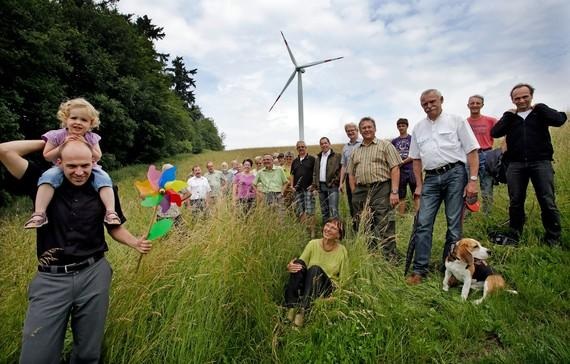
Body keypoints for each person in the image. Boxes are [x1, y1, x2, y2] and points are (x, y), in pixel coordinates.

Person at [0, 139, 152, 364]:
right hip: (51, 279)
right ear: (59, 162)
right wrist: (53, 140)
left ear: (93, 162)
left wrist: (134, 242)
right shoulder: (42, 182)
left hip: (94, 274)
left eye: (85, 165)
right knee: (36, 356)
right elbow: (4, 150)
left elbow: (114, 226)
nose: (79, 172)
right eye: (71, 166)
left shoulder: (103, 188)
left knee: (88, 353)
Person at [407, 89, 480, 285]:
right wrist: (419, 186)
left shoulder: (456, 120)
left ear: (441, 100)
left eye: (432, 101)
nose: (429, 106)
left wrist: (472, 180)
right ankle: (419, 270)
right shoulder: (418, 128)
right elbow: (415, 159)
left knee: (454, 226)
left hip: (455, 174)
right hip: (430, 178)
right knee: (423, 223)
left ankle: (452, 269)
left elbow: (472, 151)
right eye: (424, 104)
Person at [24, 98, 120, 229]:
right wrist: (63, 145)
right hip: (61, 167)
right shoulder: (57, 135)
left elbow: (97, 156)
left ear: (91, 123)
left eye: (84, 120)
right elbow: (47, 156)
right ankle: (39, 213)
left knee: (104, 179)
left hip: (90, 167)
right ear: (65, 119)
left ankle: (110, 212)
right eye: (74, 118)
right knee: (47, 178)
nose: (78, 122)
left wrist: (87, 145)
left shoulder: (91, 137)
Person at [490, 83, 567, 246]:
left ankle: (553, 238)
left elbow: (560, 119)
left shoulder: (539, 113)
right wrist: (507, 115)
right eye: (517, 98)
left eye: (525, 96)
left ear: (531, 96)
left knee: (546, 200)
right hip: (516, 165)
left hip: (541, 163)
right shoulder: (511, 118)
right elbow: (495, 132)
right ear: (512, 100)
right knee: (516, 201)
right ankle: (515, 234)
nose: (521, 100)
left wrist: (541, 107)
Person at [348, 117, 401, 259]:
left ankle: (389, 257)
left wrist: (394, 191)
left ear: (375, 128)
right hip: (360, 190)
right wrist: (354, 192)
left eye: (369, 127)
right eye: (363, 128)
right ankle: (369, 254)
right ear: (360, 131)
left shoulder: (385, 145)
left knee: (384, 221)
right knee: (362, 222)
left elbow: (395, 168)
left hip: (381, 187)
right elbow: (351, 174)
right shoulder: (355, 151)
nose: (366, 130)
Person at [284, 218, 349, 327]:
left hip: (325, 288)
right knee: (298, 263)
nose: (328, 229)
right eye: (327, 225)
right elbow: (300, 266)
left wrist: (335, 298)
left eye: (333, 228)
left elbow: (344, 281)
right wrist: (290, 266)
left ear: (339, 235)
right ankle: (292, 307)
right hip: (309, 285)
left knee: (315, 269)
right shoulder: (313, 244)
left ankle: (302, 312)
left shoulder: (342, 251)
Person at [467, 95, 498, 214]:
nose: (475, 105)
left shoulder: (491, 121)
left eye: (477, 103)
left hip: (486, 154)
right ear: (468, 105)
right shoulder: (464, 122)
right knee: (469, 186)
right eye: (472, 103)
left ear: (482, 105)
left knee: (487, 186)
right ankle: (468, 213)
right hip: (469, 156)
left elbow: (505, 130)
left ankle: (487, 214)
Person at [391, 118, 419, 214]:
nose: (401, 127)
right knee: (401, 194)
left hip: (411, 169)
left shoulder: (412, 139)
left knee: (416, 193)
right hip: (400, 171)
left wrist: (402, 162)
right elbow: (392, 155)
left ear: (407, 126)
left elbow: (414, 154)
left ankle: (417, 215)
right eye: (399, 126)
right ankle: (401, 216)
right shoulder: (394, 141)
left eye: (403, 125)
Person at [291, 141, 317, 237]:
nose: (301, 148)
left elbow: (315, 173)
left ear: (306, 147)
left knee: (310, 211)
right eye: (299, 147)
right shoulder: (295, 161)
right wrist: (292, 186)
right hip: (298, 190)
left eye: (303, 146)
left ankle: (313, 232)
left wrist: (314, 186)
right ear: (297, 149)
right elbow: (292, 174)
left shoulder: (312, 159)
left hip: (309, 189)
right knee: (300, 211)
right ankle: (304, 232)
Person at [313, 137, 342, 222]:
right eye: (322, 144)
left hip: (332, 186)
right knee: (324, 210)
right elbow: (315, 173)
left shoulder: (337, 156)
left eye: (325, 143)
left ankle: (336, 232)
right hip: (321, 187)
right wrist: (315, 185)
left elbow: (341, 170)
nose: (324, 145)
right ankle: (326, 230)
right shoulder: (318, 158)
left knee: (333, 210)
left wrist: (335, 181)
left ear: (329, 144)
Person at [339, 122, 362, 225]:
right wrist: (341, 183)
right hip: (349, 178)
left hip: (362, 177)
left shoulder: (363, 143)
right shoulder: (345, 147)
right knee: (352, 202)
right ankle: (356, 226)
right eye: (348, 131)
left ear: (357, 130)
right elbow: (344, 166)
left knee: (362, 202)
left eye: (352, 130)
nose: (350, 132)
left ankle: (366, 225)